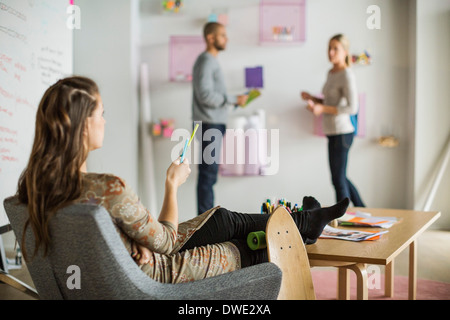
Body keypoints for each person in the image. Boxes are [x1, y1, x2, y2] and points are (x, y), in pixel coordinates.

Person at [17, 76, 349, 284]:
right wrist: (172, 185)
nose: (105, 119)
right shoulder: (107, 188)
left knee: (223, 218)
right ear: (82, 125)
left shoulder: (32, 189)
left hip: (131, 266)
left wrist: (132, 245)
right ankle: (305, 226)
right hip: (157, 271)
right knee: (252, 245)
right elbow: (164, 241)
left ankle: (305, 222)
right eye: (100, 113)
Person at [301, 34, 366, 207]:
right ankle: (363, 209)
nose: (330, 52)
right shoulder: (331, 73)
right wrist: (314, 99)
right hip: (332, 132)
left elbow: (352, 108)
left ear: (345, 52)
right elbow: (330, 102)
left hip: (343, 132)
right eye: (329, 48)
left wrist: (321, 109)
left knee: (338, 179)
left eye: (335, 48)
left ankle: (341, 219)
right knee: (340, 176)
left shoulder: (347, 75)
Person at [192, 22, 249, 215]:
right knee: (208, 177)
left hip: (213, 123)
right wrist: (232, 99)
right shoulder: (207, 61)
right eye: (223, 35)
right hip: (209, 124)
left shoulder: (210, 61)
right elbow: (205, 96)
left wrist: (234, 101)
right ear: (211, 38)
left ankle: (206, 222)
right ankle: (205, 225)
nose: (227, 39)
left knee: (209, 175)